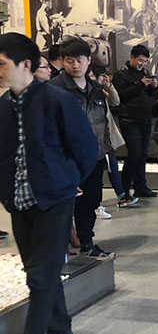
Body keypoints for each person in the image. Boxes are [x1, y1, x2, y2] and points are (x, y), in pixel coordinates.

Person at [0, 32, 98, 334]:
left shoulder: (57, 101)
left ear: (25, 64)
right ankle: (60, 330)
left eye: (2, 64)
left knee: (40, 278)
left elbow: (86, 148)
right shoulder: (3, 107)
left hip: (54, 202)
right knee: (37, 273)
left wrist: (67, 182)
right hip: (19, 203)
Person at [50, 37, 114, 259]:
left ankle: (86, 243)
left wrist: (105, 150)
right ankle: (61, 249)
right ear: (63, 61)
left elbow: (104, 122)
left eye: (79, 60)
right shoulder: (54, 90)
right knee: (64, 205)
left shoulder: (95, 88)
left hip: (94, 157)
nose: (75, 65)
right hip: (68, 160)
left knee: (90, 202)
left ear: (88, 60)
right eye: (70, 61)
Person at [89, 65, 138, 213]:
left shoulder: (100, 92)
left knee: (112, 166)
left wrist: (109, 86)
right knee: (105, 168)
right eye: (101, 76)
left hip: (106, 136)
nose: (104, 78)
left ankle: (121, 195)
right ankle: (105, 200)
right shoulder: (88, 93)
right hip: (96, 138)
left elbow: (115, 101)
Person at [113, 45, 158, 199]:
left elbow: (147, 95)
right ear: (132, 57)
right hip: (129, 119)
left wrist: (153, 87)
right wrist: (140, 84)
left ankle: (141, 187)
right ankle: (124, 189)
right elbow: (121, 95)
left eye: (145, 61)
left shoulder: (145, 73)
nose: (142, 64)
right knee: (135, 153)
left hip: (144, 118)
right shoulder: (121, 74)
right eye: (140, 60)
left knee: (143, 154)